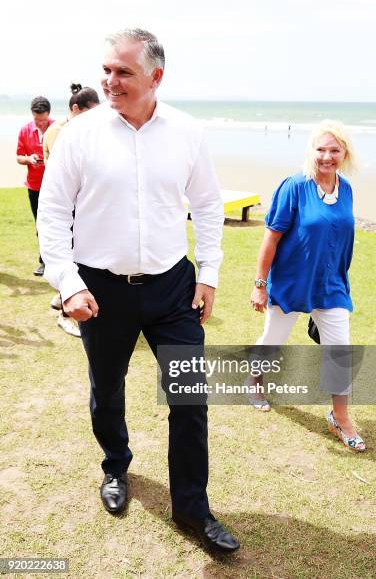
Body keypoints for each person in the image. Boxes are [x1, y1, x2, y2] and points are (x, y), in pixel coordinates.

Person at [37, 28, 240, 553]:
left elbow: (209, 205)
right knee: (107, 389)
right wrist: (68, 281)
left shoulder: (187, 132)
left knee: (190, 400)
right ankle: (116, 468)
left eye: (123, 71)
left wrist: (209, 272)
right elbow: (55, 212)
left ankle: (192, 509)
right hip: (100, 289)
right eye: (106, 70)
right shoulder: (80, 135)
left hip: (173, 287)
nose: (109, 81)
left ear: (156, 76)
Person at [249, 120, 365, 452]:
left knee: (340, 350)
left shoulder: (346, 190)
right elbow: (271, 238)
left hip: (331, 286)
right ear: (311, 151)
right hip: (291, 281)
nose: (326, 156)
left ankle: (340, 417)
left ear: (344, 154)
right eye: (321, 149)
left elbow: (339, 239)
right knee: (273, 340)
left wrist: (339, 277)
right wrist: (260, 285)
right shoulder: (294, 186)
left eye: (334, 150)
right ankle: (254, 379)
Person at [43, 83, 100, 338]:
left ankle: (62, 297)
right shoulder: (62, 132)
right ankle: (65, 312)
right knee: (72, 254)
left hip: (84, 206)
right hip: (68, 203)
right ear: (76, 109)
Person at [16, 96, 54, 276]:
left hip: (56, 185)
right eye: (36, 120)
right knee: (41, 226)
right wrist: (29, 159)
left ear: (49, 114)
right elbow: (19, 156)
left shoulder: (59, 128)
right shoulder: (25, 130)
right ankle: (44, 262)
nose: (40, 123)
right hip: (35, 186)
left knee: (62, 224)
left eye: (43, 120)